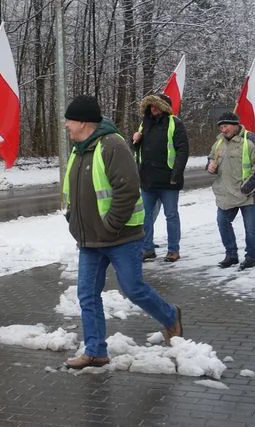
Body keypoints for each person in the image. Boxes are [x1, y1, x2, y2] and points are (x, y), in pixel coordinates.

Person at [62, 95, 182, 369]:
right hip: (89, 240)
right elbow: (73, 192)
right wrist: (72, 220)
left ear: (83, 122)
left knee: (133, 289)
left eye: (69, 120)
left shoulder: (112, 145)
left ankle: (170, 315)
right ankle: (95, 351)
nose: (66, 125)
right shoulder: (78, 150)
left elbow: (127, 190)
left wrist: (111, 225)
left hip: (120, 237)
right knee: (87, 295)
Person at [207, 112, 255, 271]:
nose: (223, 129)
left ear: (235, 125)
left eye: (226, 125)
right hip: (226, 194)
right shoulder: (219, 143)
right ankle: (231, 255)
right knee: (222, 222)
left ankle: (250, 258)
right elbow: (211, 158)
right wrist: (210, 166)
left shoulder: (252, 140)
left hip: (248, 194)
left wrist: (246, 188)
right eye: (221, 126)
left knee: (250, 227)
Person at [132, 93, 189, 262]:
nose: (153, 108)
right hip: (148, 180)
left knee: (171, 215)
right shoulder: (144, 125)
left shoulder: (175, 123)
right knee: (145, 216)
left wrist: (176, 175)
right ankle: (147, 249)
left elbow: (183, 151)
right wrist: (135, 141)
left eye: (156, 105)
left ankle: (173, 250)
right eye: (150, 106)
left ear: (164, 107)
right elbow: (138, 151)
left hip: (169, 180)